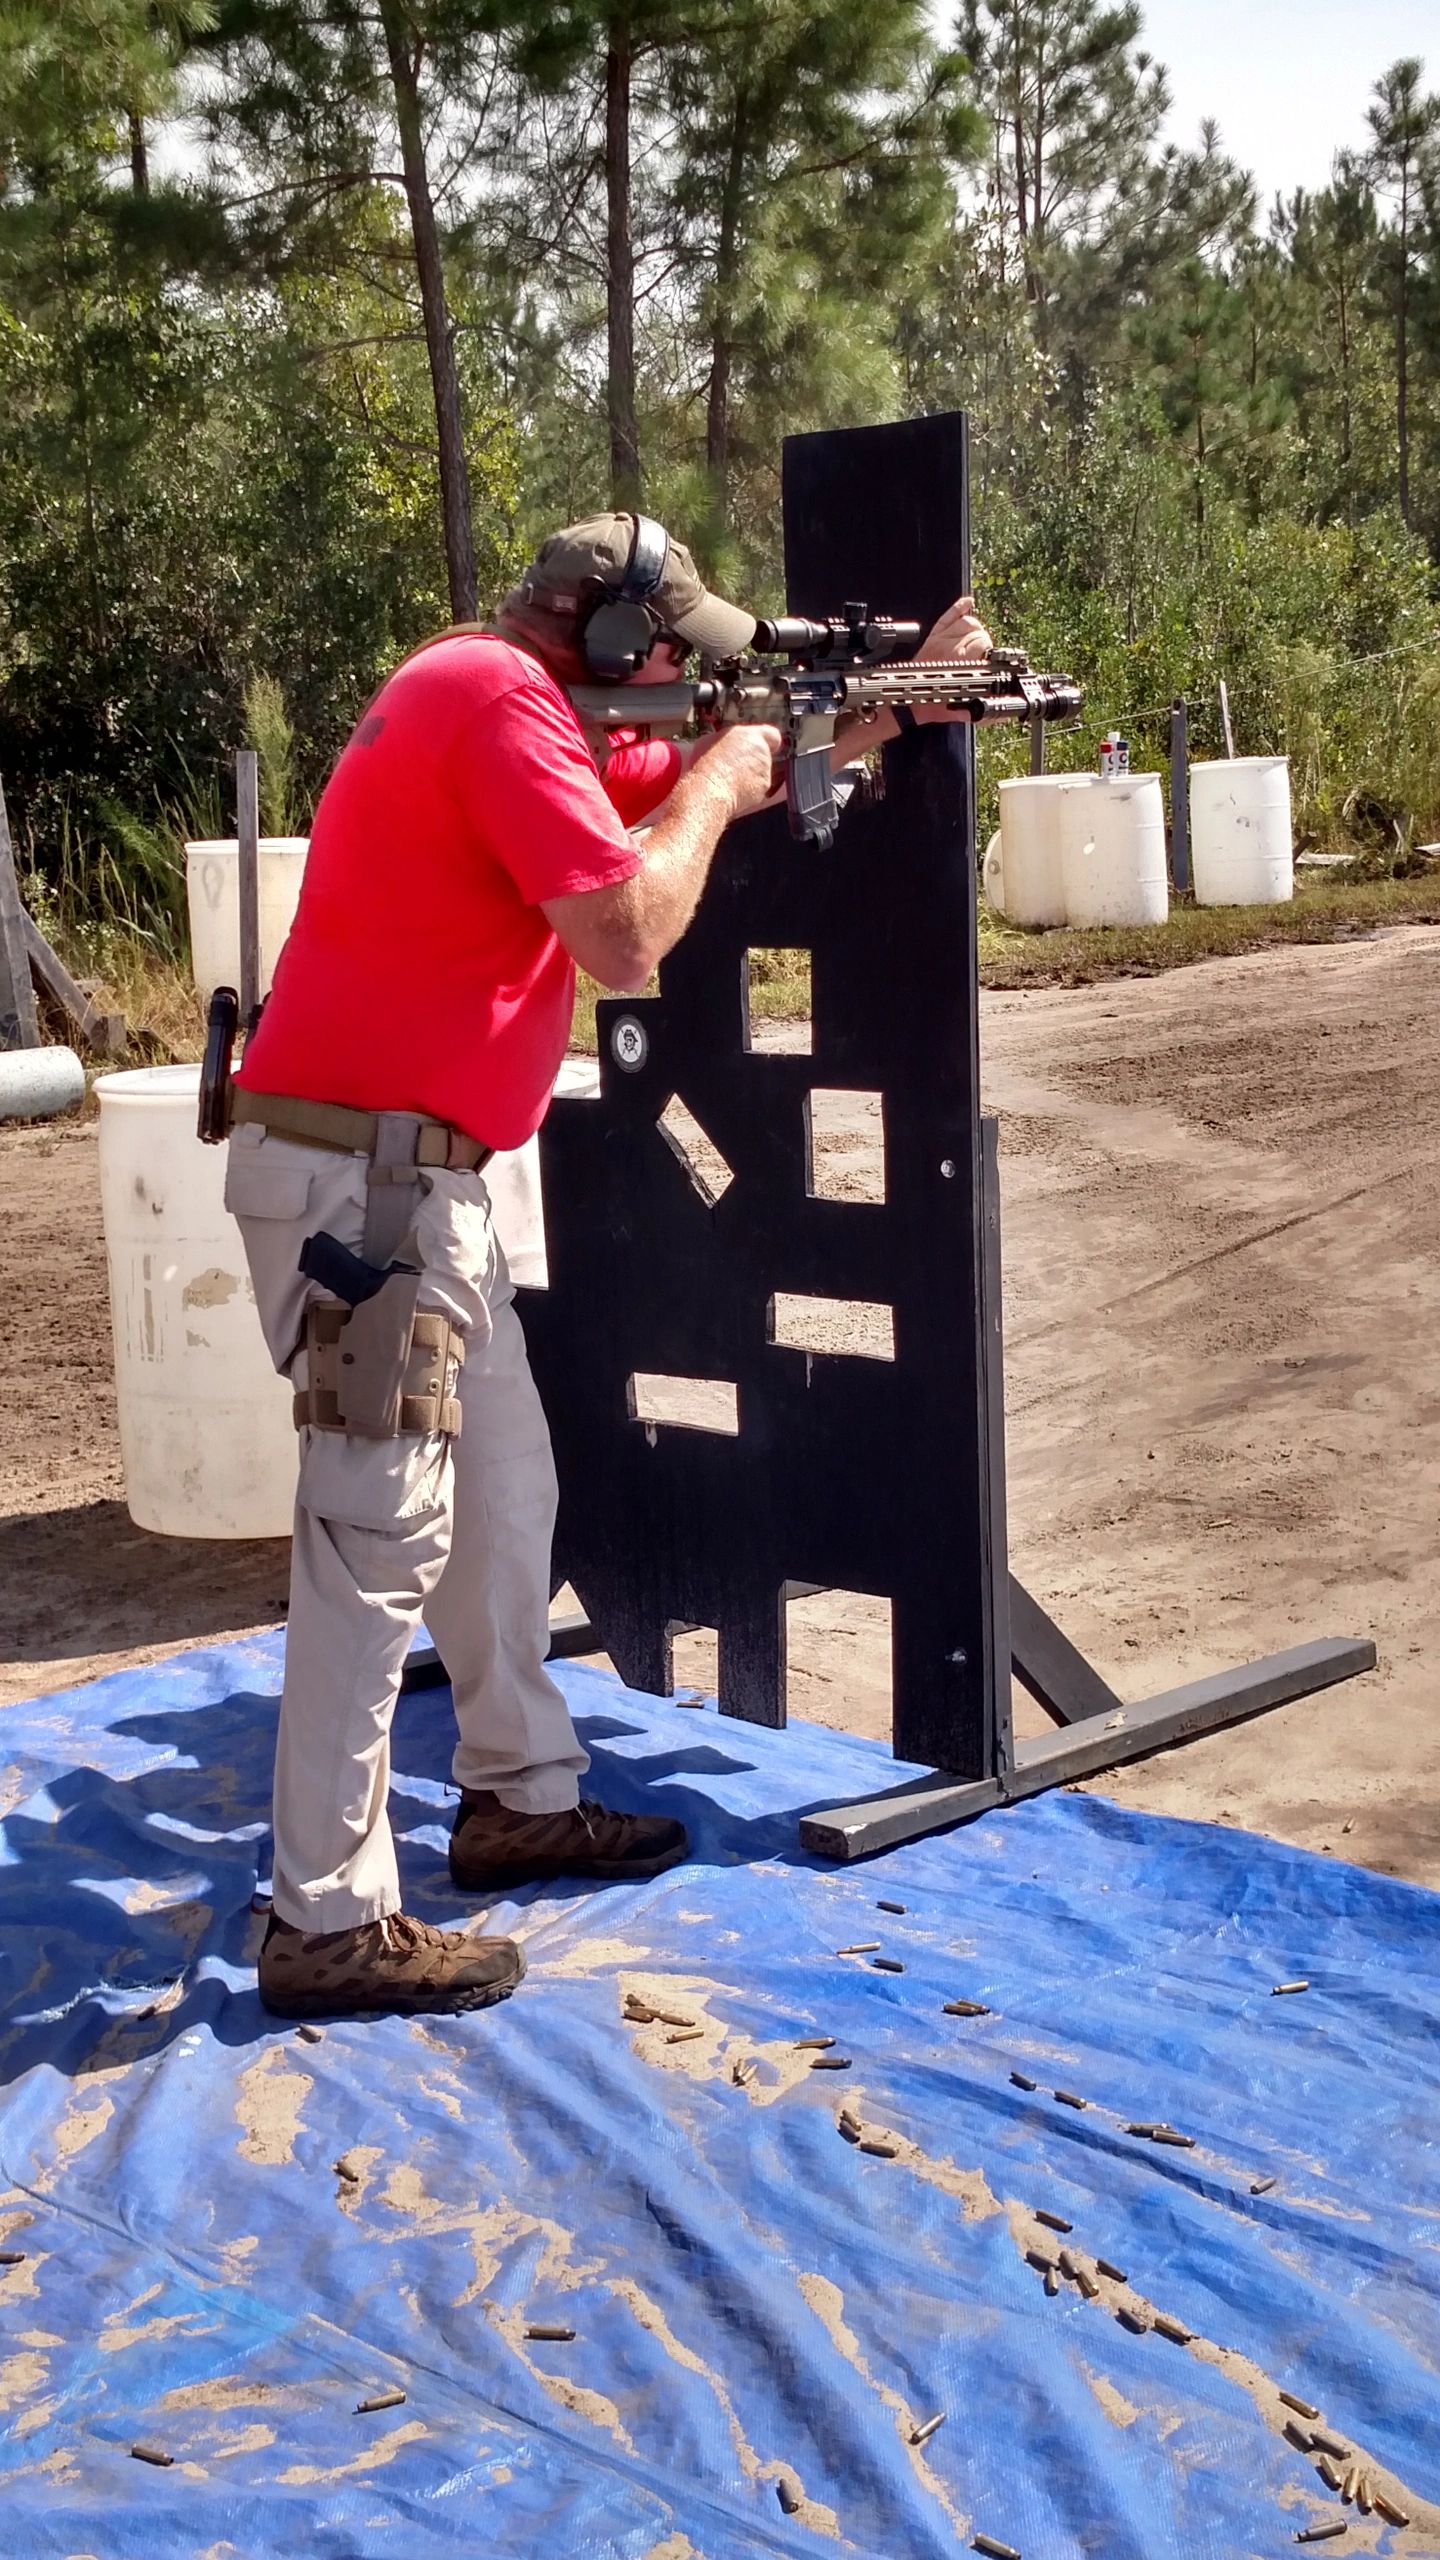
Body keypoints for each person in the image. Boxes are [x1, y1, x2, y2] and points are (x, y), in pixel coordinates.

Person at [226, 510, 992, 2021]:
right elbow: (630, 928)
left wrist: (890, 697)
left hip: (410, 1186)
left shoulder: (497, 700)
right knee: (373, 1545)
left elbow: (676, 771)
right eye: (666, 659)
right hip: (370, 1195)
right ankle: (323, 1915)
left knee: (505, 1500)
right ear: (610, 639)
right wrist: (721, 774)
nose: (679, 687)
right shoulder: (496, 700)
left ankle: (513, 1795)